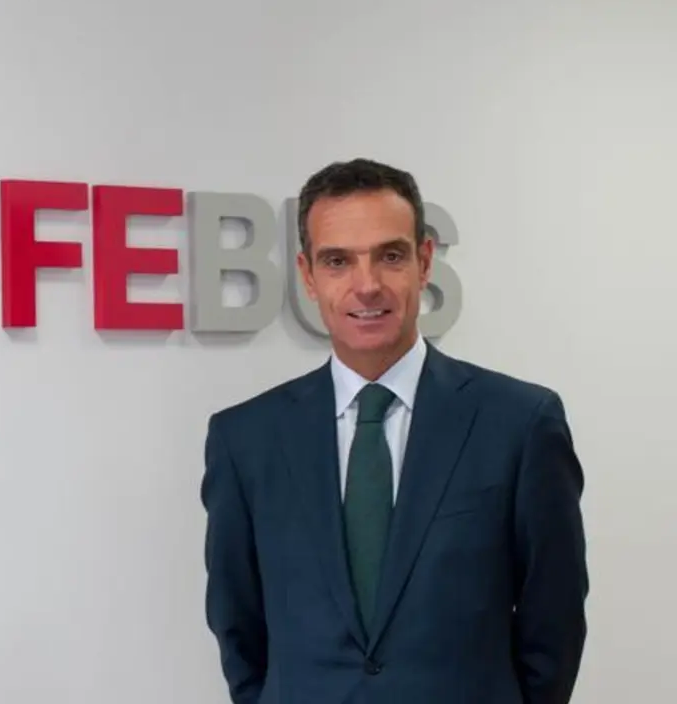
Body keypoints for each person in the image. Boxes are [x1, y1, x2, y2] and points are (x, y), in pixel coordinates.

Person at [201, 158, 588, 703]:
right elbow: (237, 626)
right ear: (308, 275)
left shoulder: (520, 423)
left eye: (390, 256)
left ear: (424, 262)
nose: (367, 286)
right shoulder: (246, 440)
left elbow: (554, 623)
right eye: (338, 261)